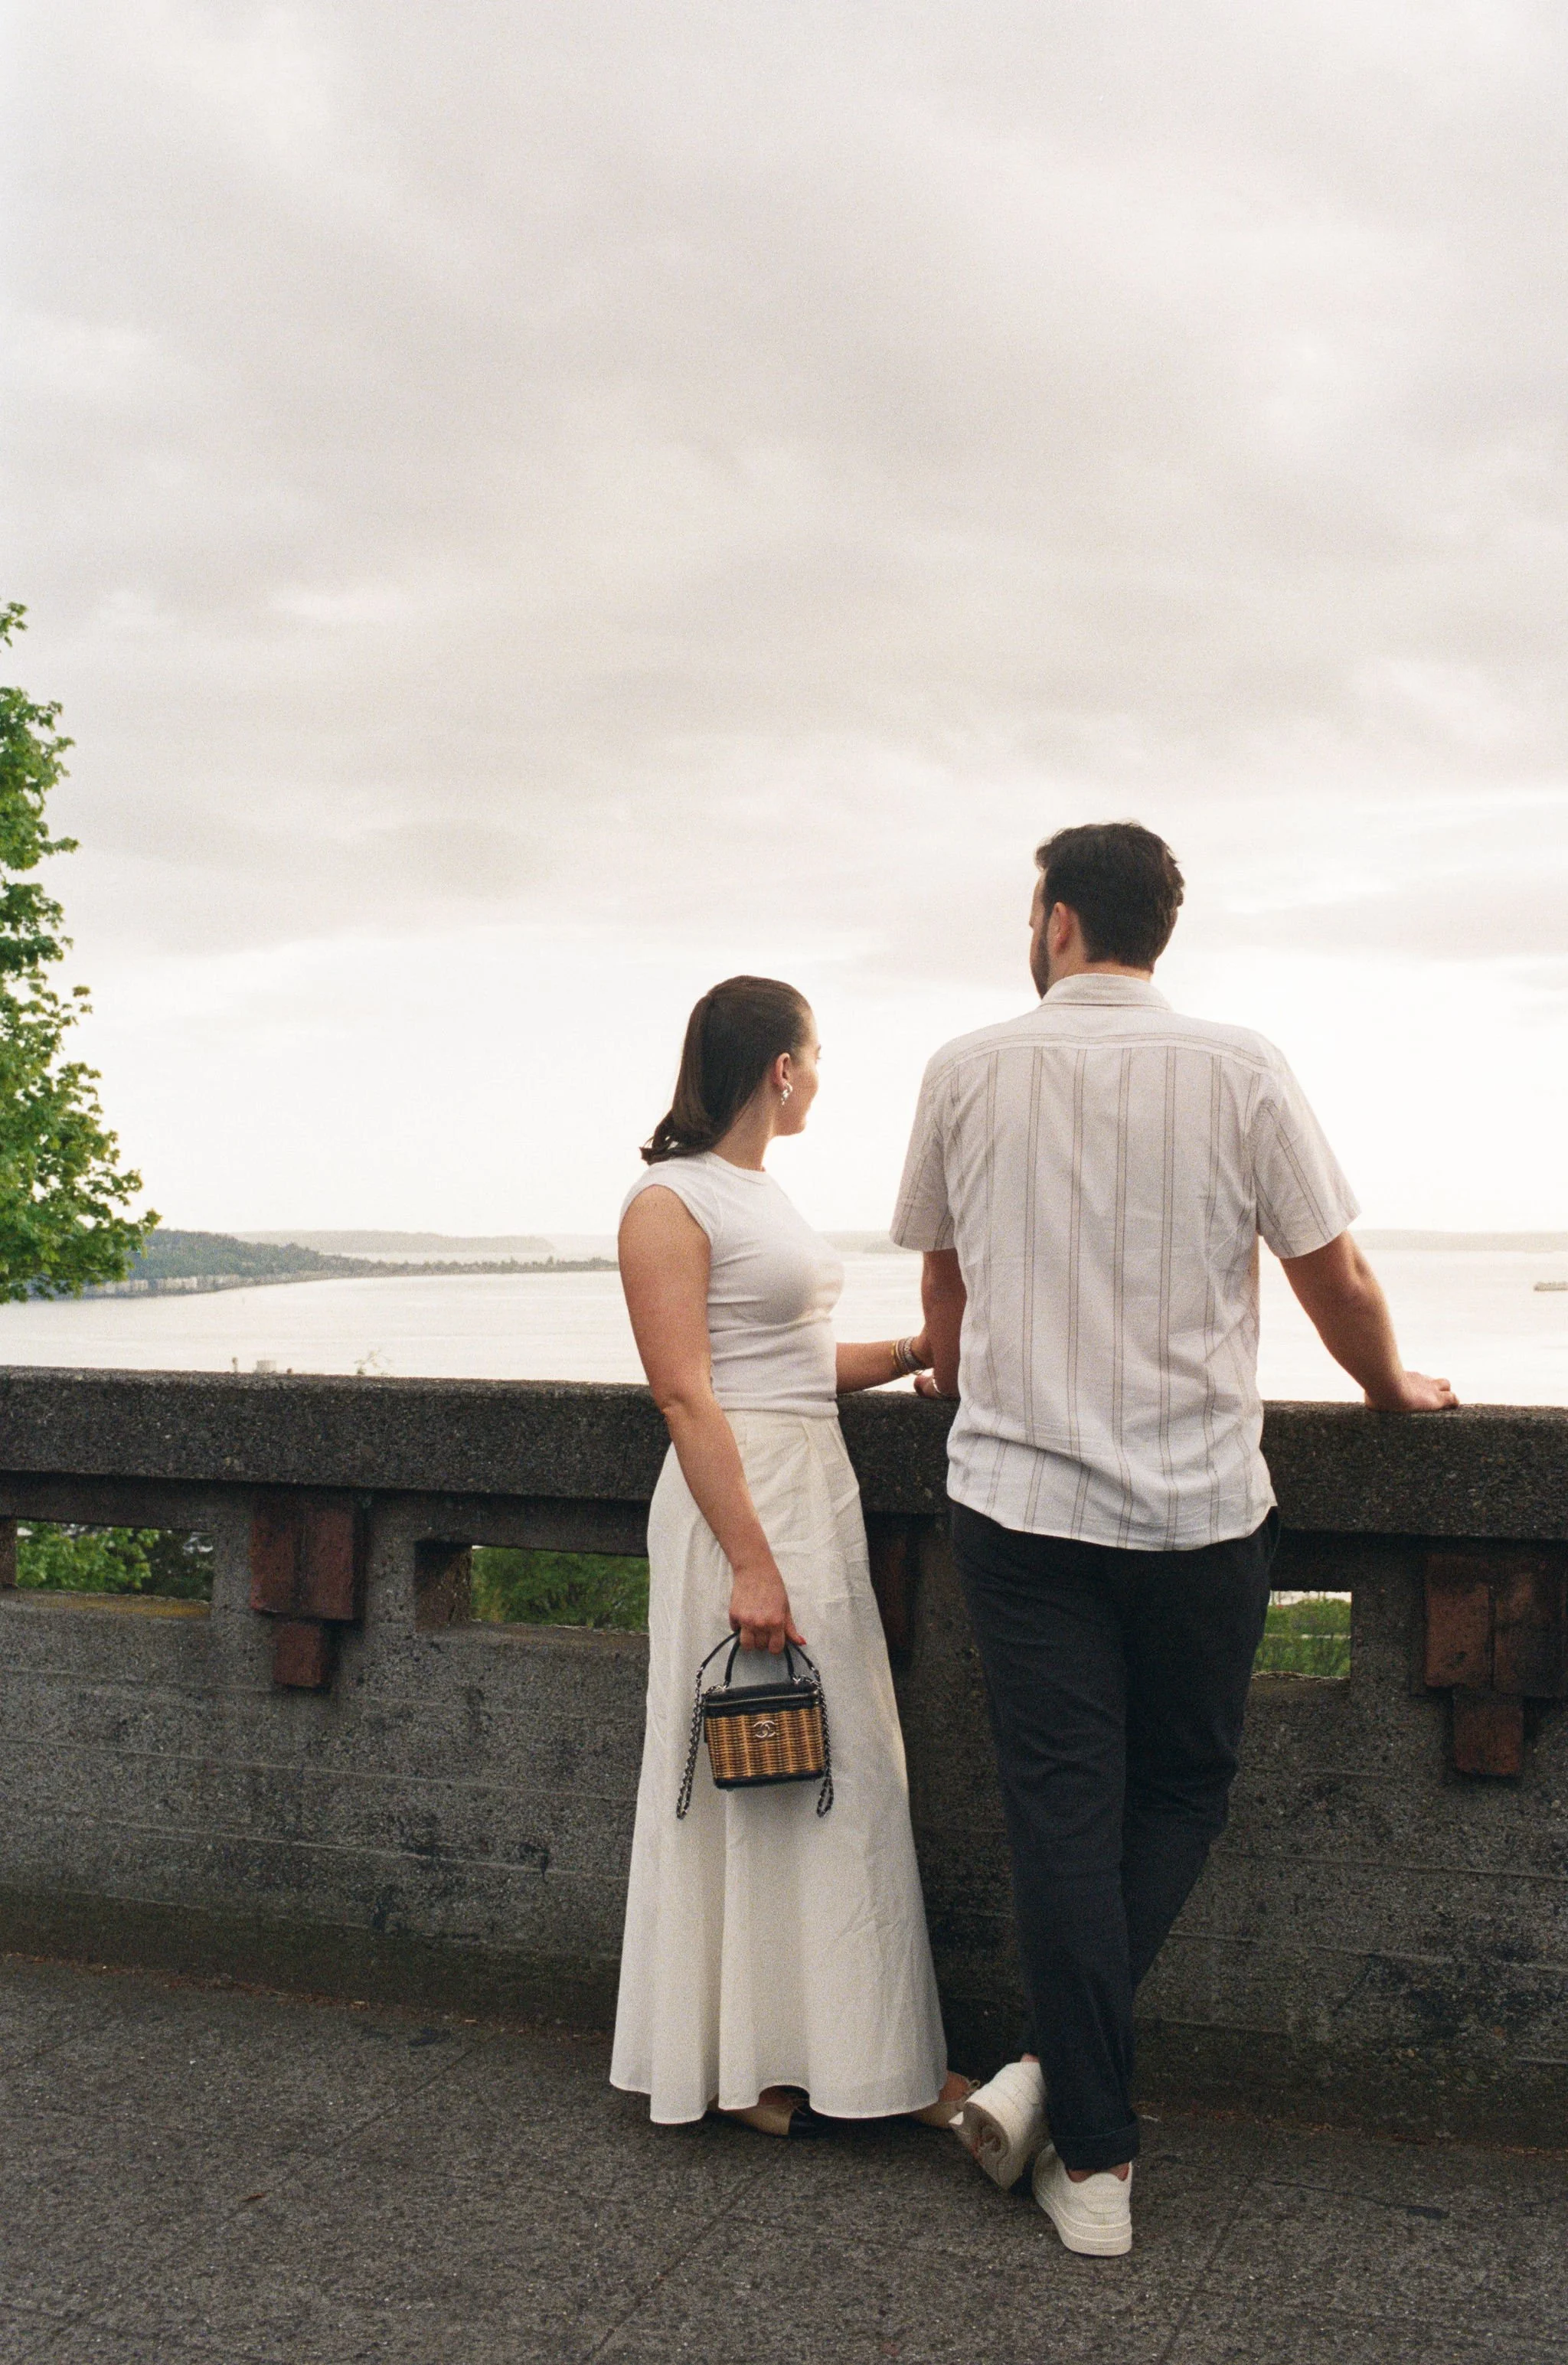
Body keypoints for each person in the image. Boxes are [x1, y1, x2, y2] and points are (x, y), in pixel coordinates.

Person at [892, 822, 1456, 2255]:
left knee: (1061, 1811)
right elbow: (1334, 1277)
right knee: (1184, 1789)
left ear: (1061, 920)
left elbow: (944, 1292)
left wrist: (957, 1367)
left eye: (1033, 910)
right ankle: (1076, 2111)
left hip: (1019, 1508)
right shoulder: (1243, 1065)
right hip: (1203, 1507)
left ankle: (1079, 2134)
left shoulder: (965, 1068)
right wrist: (1391, 1390)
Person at [611, 974, 971, 2136]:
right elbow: (684, 1389)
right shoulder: (668, 1202)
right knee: (746, 1769)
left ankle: (829, 2056)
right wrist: (751, 1562)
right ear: (781, 1068)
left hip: (811, 1483)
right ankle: (747, 2064)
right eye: (815, 1060)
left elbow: (794, 1361)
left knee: (831, 1765)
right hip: (740, 1500)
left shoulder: (761, 1194)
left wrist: (919, 1347)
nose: (820, 1080)